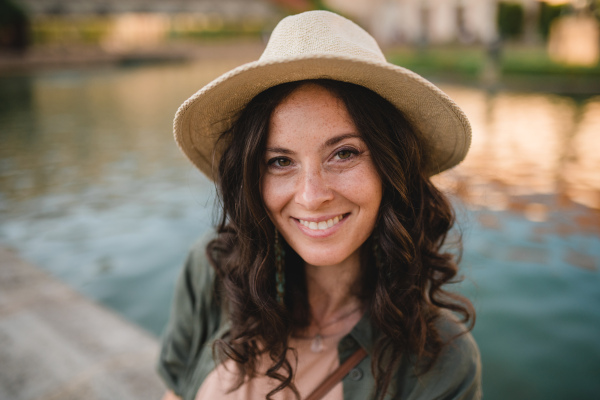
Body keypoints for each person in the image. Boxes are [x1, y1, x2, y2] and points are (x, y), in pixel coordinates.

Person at [158, 10, 481, 400]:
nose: (312, 196)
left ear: (391, 165)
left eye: (343, 154)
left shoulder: (442, 360)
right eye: (280, 162)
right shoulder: (213, 267)